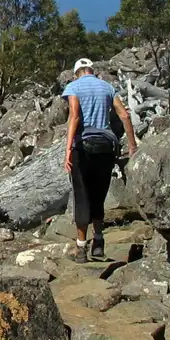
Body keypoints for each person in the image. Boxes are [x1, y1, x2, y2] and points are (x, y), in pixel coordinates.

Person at [62, 58, 137, 263]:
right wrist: (132, 146)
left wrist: (68, 149)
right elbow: (124, 115)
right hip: (105, 148)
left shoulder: (73, 87)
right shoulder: (107, 87)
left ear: (77, 72)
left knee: (82, 195)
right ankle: (99, 242)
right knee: (99, 195)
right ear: (91, 71)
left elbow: (75, 116)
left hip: (83, 148)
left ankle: (81, 248)